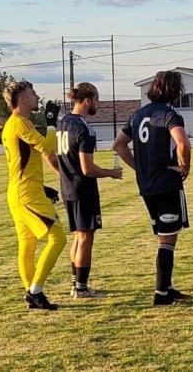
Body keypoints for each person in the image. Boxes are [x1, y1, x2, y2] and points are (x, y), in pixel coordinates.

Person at [113, 70, 191, 306]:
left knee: (164, 235)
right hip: (166, 183)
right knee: (167, 239)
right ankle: (162, 294)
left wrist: (140, 167)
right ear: (174, 91)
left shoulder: (138, 114)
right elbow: (182, 142)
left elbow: (119, 145)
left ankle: (166, 286)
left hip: (147, 184)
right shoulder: (169, 114)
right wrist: (184, 165)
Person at [1, 80, 67, 310]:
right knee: (58, 237)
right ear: (21, 99)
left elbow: (25, 161)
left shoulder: (17, 123)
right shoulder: (19, 123)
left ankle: (33, 293)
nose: (37, 96)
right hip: (26, 194)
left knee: (27, 245)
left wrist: (41, 186)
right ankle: (34, 291)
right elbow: (47, 147)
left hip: (21, 191)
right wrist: (50, 124)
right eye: (33, 93)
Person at [57, 83, 123, 298]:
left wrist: (64, 172)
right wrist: (111, 173)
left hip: (67, 188)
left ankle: (75, 284)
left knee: (78, 236)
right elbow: (88, 168)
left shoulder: (63, 122)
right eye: (96, 99)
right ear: (87, 100)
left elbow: (49, 155)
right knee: (86, 238)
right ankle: (82, 288)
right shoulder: (84, 128)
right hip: (82, 189)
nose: (98, 103)